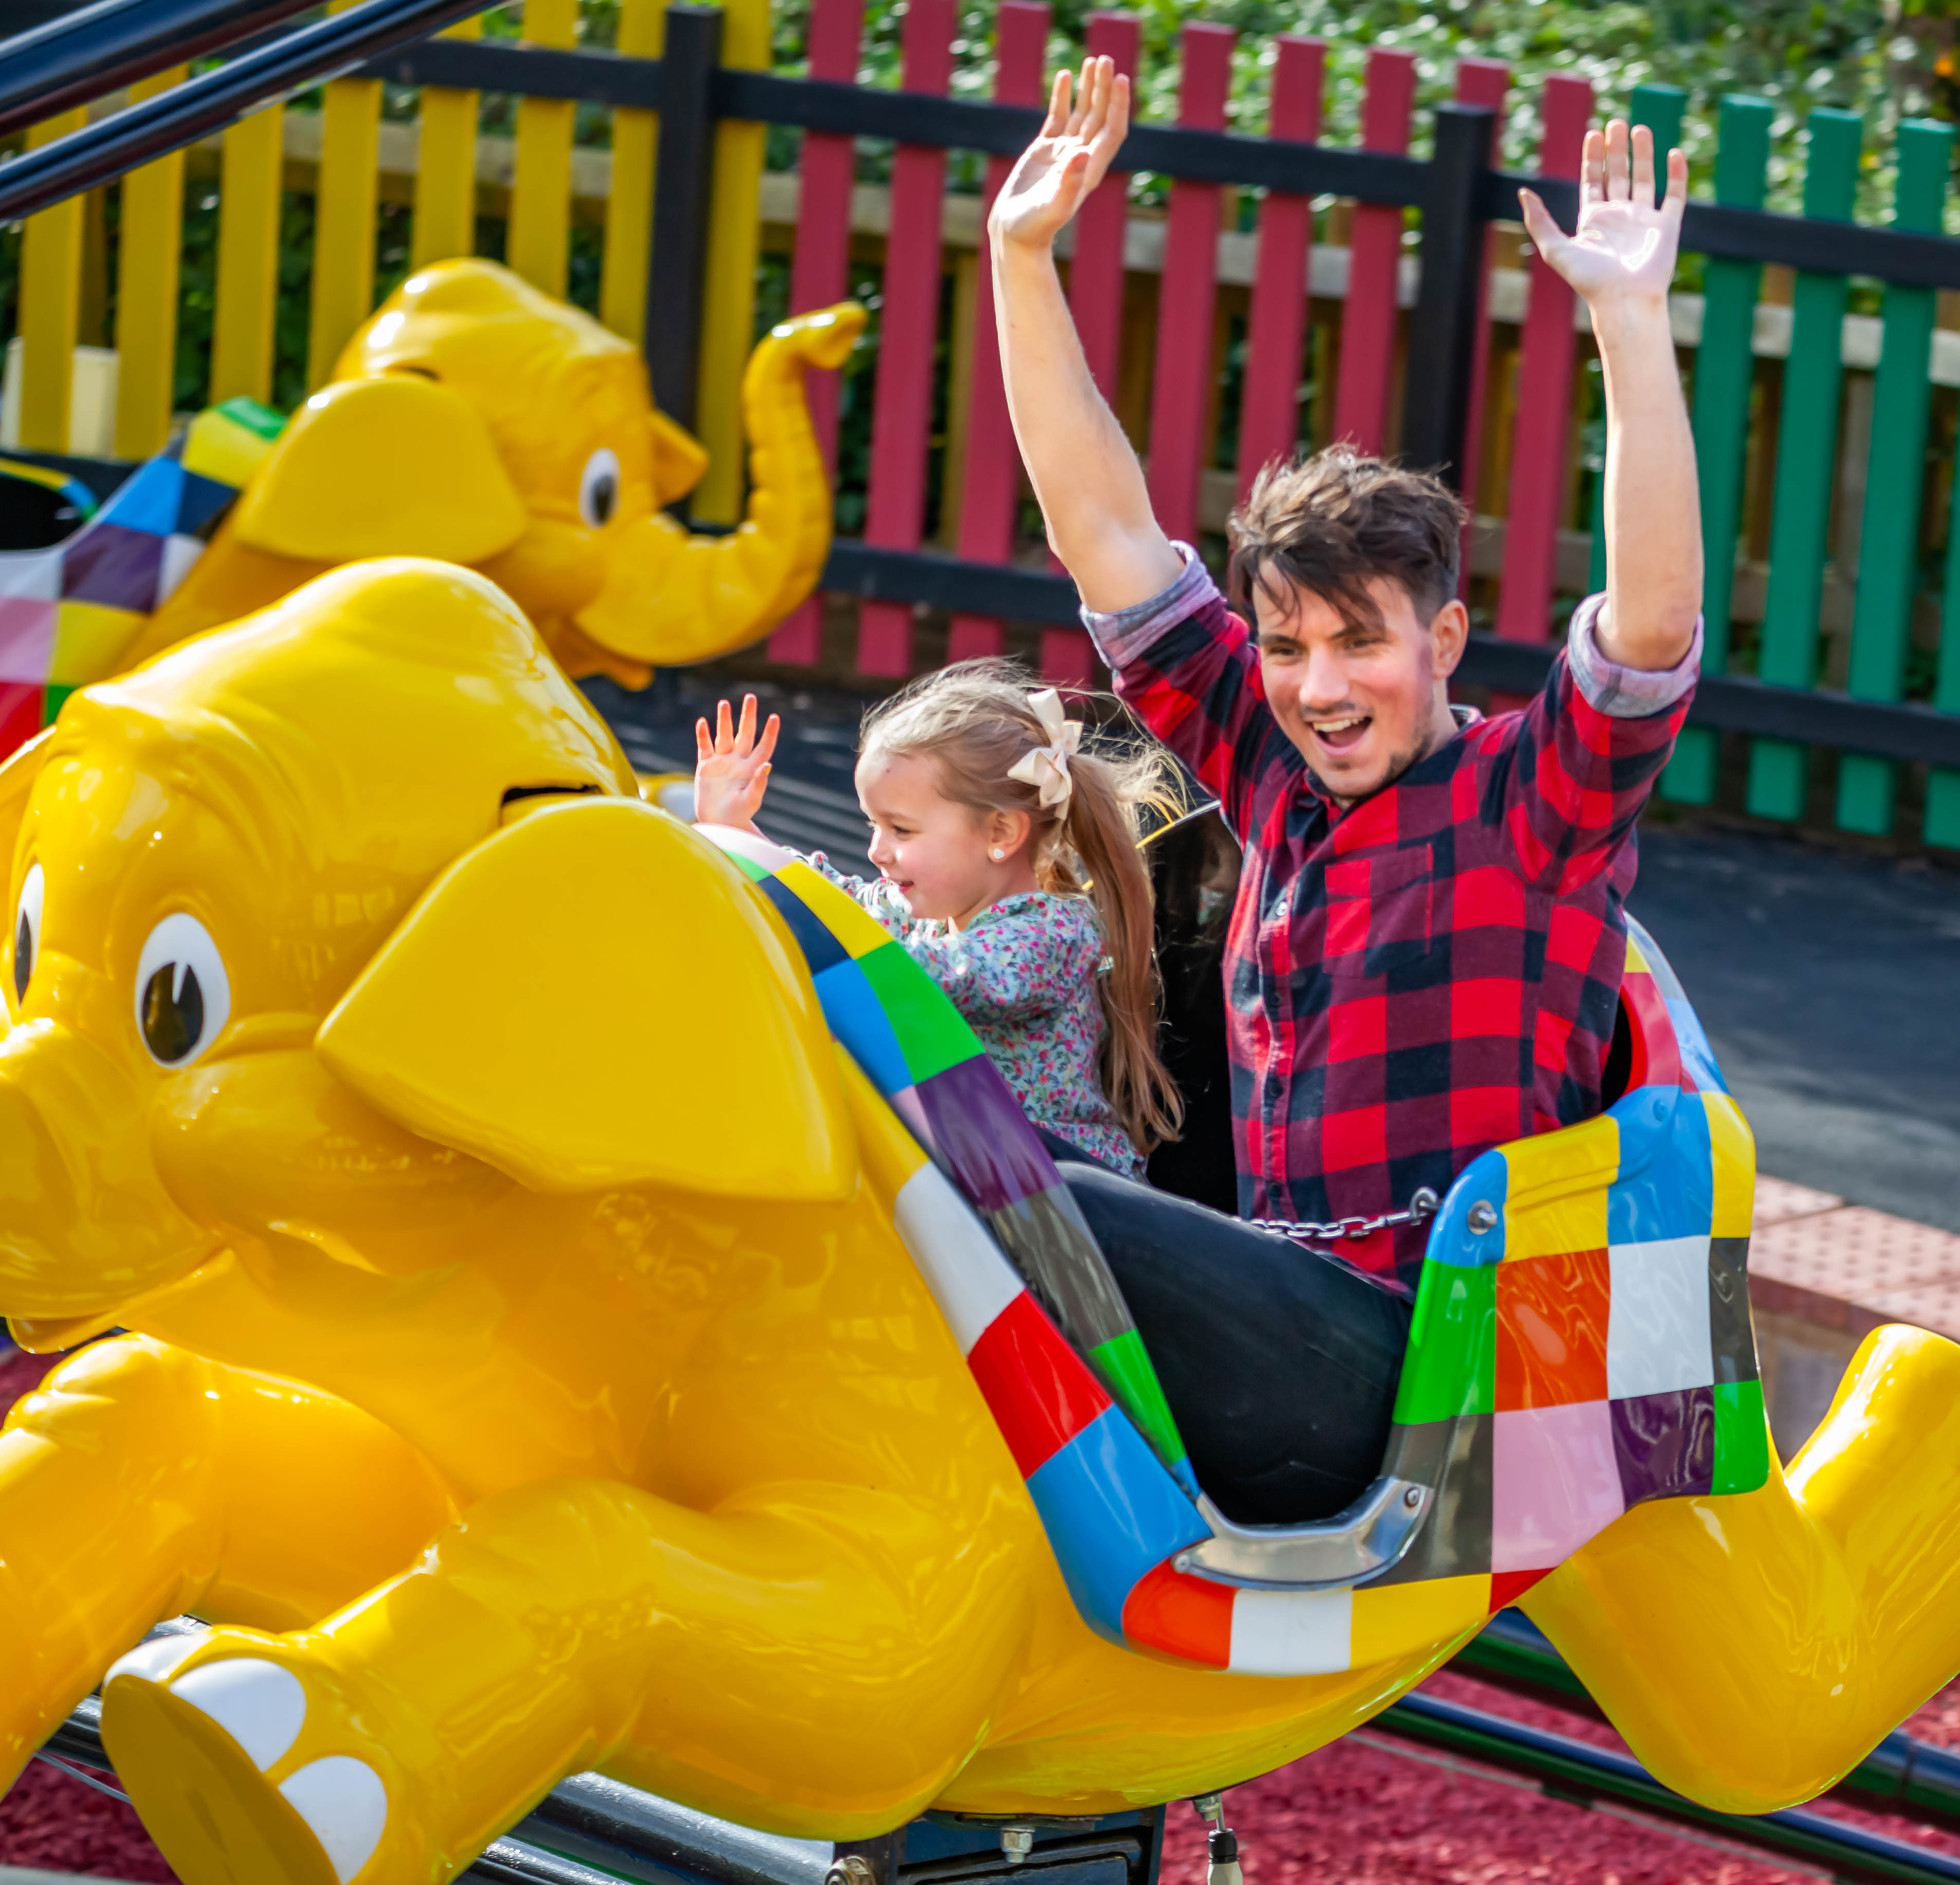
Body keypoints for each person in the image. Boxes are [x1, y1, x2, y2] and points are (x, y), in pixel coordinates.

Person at [989, 59, 1703, 1285]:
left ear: (1440, 643)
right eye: (1283, 646)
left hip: (1446, 1347)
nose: (1316, 686)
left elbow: (1646, 625)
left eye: (1357, 642)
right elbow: (1098, 531)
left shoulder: (1527, 802)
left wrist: (1625, 326)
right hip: (1290, 1315)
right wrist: (1018, 262)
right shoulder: (1270, 762)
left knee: (1047, 1221)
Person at [691, 663, 1183, 1178]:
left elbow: (945, 977)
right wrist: (737, 831)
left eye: (901, 830)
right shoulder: (921, 920)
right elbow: (834, 902)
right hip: (986, 1183)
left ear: (1000, 833)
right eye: (873, 824)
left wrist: (822, 940)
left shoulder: (1051, 933)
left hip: (1069, 1204)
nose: (876, 851)